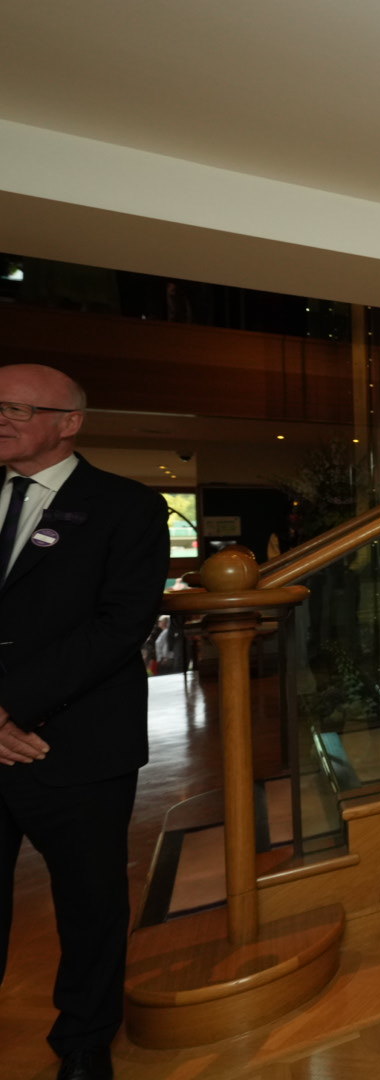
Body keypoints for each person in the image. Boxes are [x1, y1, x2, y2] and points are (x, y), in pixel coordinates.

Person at [0, 364, 171, 1080]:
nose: (1, 418)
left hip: (74, 743)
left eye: (16, 408)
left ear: (68, 423)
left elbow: (120, 623)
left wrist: (13, 708)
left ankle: (83, 1042)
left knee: (91, 904)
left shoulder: (126, 507)